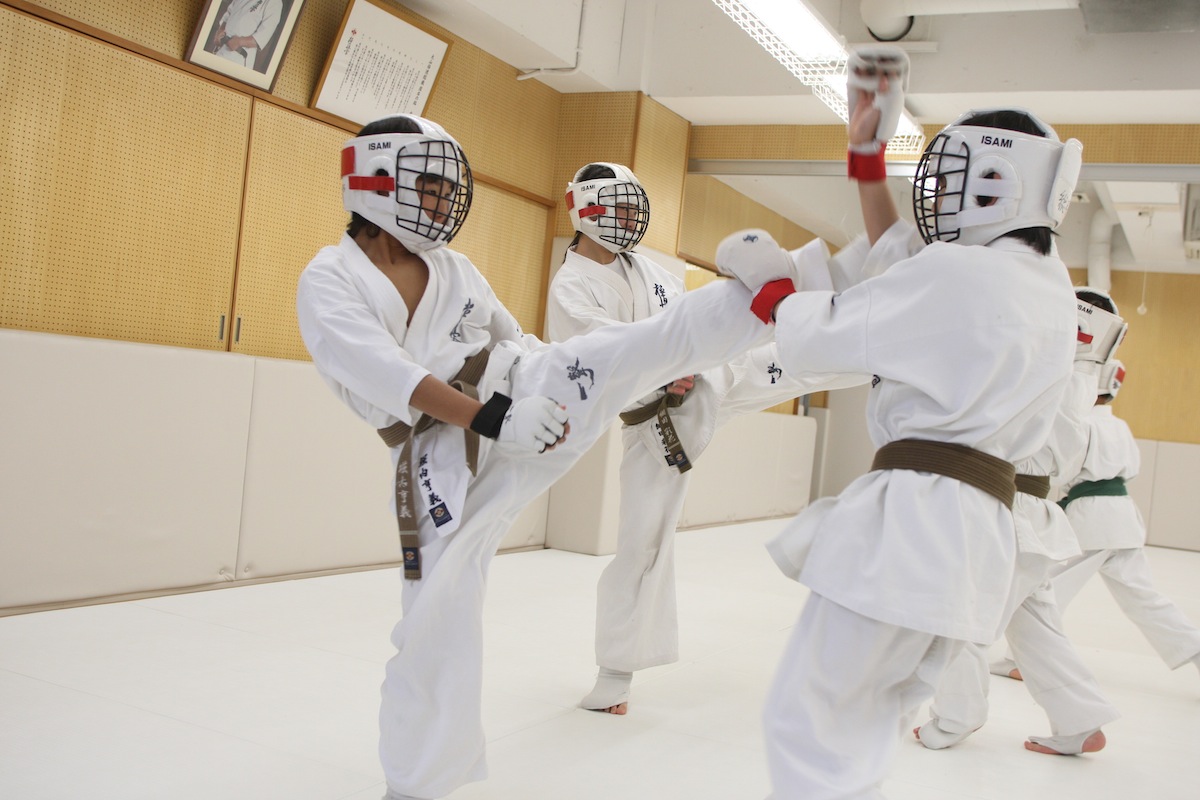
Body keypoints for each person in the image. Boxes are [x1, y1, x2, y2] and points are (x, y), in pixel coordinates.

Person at [295, 114, 781, 800]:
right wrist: (496, 421)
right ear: (372, 183)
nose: (443, 201)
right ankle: (414, 783)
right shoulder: (329, 280)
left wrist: (547, 381)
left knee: (616, 351)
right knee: (436, 617)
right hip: (442, 450)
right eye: (430, 186)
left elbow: (511, 335)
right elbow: (390, 376)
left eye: (447, 189)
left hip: (523, 389)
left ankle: (761, 299)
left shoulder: (453, 266)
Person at [714, 46, 1082, 798]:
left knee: (813, 722)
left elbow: (825, 332)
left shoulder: (962, 274)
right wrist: (866, 157)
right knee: (864, 727)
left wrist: (770, 287)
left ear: (997, 183)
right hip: (975, 532)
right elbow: (899, 261)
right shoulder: (1044, 283)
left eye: (954, 179)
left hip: (916, 520)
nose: (937, 198)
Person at [545, 162, 863, 714]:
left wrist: (687, 359)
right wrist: (663, 371)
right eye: (619, 209)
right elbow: (595, 356)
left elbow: (688, 324)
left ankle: (882, 355)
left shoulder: (649, 269)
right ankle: (615, 671)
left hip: (713, 374)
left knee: (791, 356)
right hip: (655, 422)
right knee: (643, 540)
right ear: (586, 211)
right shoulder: (571, 287)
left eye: (634, 210)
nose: (629, 220)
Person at [914, 289, 1124, 756]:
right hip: (1030, 514)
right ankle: (1081, 720)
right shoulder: (1080, 376)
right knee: (1035, 625)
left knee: (964, 612)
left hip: (1011, 511)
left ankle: (955, 717)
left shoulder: (1057, 371)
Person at [1052, 344, 1200, 679]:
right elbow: (1131, 470)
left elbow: (1062, 473)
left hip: (1092, 519)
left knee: (1047, 589)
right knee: (1144, 597)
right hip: (1122, 516)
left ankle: (1027, 660)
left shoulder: (1081, 424)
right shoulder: (1119, 425)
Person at [207, 0, 283, 72]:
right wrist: (220, 30)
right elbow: (229, 13)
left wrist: (239, 42)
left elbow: (263, 36)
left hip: (239, 57)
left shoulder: (275, 2)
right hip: (221, 49)